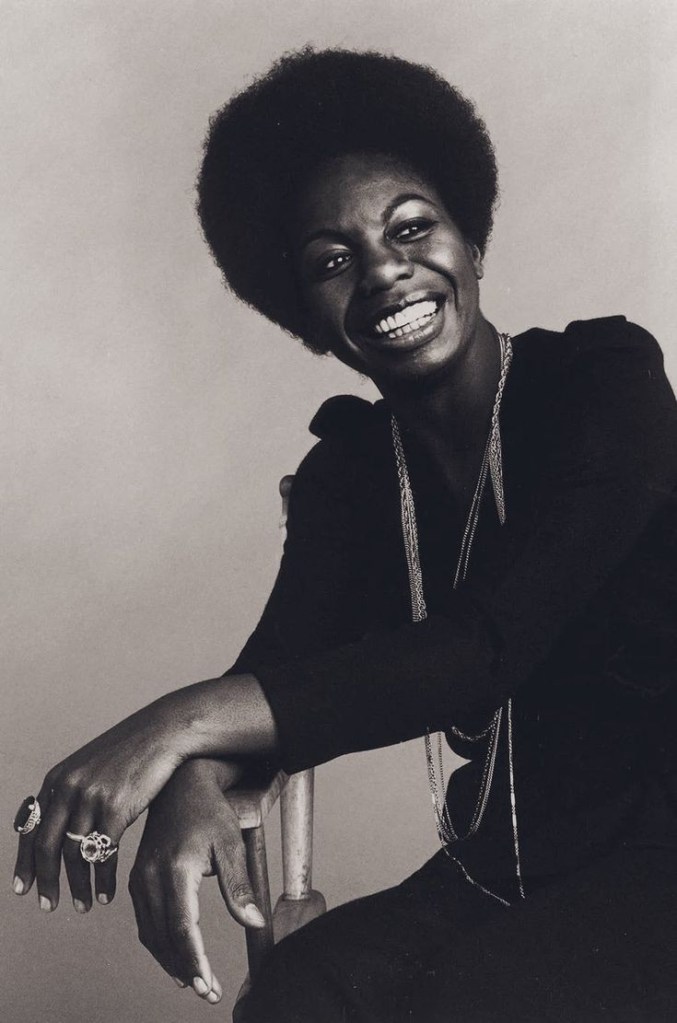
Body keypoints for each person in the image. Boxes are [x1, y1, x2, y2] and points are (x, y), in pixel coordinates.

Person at [13, 47, 677, 1021]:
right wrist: (199, 774)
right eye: (332, 260)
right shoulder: (354, 472)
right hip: (499, 867)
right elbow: (284, 664)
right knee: (296, 997)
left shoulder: (603, 384)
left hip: (657, 859)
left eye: (410, 228)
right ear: (306, 317)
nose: (383, 270)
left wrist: (169, 728)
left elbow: (481, 650)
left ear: (470, 241)